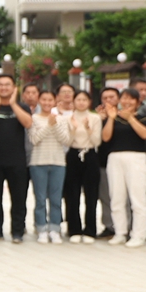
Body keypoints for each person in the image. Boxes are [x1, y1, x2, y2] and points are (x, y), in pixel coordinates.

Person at [0, 74, 32, 243]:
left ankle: (18, 231)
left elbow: (28, 123)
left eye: (7, 84)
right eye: (0, 85)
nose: (4, 87)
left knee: (19, 197)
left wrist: (13, 103)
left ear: (14, 88)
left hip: (17, 160)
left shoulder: (22, 106)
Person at [102, 88, 146, 246]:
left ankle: (138, 234)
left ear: (137, 102)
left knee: (138, 198)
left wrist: (130, 118)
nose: (127, 102)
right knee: (116, 197)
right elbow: (105, 137)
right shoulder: (113, 118)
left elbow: (145, 134)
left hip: (136, 158)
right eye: (124, 98)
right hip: (115, 158)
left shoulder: (144, 117)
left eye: (131, 99)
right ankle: (120, 232)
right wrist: (111, 118)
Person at [27, 91, 70, 244]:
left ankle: (55, 229)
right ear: (39, 100)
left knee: (56, 199)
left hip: (58, 163)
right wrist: (48, 125)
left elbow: (66, 140)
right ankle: (41, 229)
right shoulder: (33, 118)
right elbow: (34, 139)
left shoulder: (62, 119)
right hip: (38, 162)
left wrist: (55, 124)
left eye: (50, 100)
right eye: (44, 100)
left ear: (55, 101)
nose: (47, 103)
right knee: (40, 199)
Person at [63, 91, 103, 243]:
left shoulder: (95, 118)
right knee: (72, 194)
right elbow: (66, 142)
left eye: (84, 100)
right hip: (73, 155)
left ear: (89, 102)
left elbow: (97, 141)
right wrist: (73, 129)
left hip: (90, 155)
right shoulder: (67, 118)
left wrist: (88, 128)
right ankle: (74, 229)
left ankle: (90, 230)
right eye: (78, 99)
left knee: (91, 195)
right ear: (73, 101)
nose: (81, 102)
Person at [95, 87, 120, 239]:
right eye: (105, 98)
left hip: (121, 161)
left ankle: (125, 226)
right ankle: (109, 226)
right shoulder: (97, 117)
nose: (109, 100)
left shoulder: (124, 115)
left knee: (123, 197)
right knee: (105, 196)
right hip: (103, 161)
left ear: (118, 99)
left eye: (112, 97)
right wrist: (98, 120)